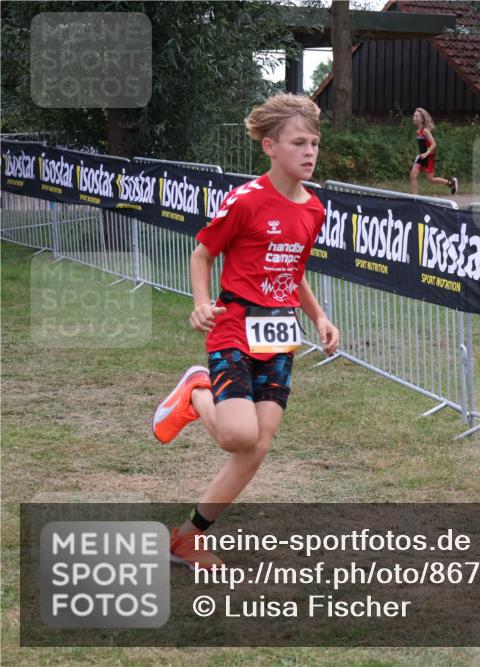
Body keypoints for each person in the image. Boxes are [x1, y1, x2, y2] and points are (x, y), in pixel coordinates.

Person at [151, 93, 340, 569]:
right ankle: (197, 390)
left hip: (279, 336)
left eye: (314, 142)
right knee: (237, 435)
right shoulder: (246, 201)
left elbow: (292, 271)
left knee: (256, 448)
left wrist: (319, 317)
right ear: (270, 147)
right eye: (299, 142)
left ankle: (187, 537)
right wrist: (201, 303)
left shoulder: (314, 210)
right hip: (234, 326)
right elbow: (202, 254)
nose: (310, 152)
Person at [410, 107, 458, 196]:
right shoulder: (418, 131)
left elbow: (434, 144)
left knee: (430, 179)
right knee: (413, 175)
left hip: (429, 157)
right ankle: (415, 197)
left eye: (416, 116)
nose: (414, 118)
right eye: (414, 116)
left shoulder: (425, 131)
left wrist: (426, 154)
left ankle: (450, 183)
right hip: (421, 156)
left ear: (422, 119)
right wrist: (421, 155)